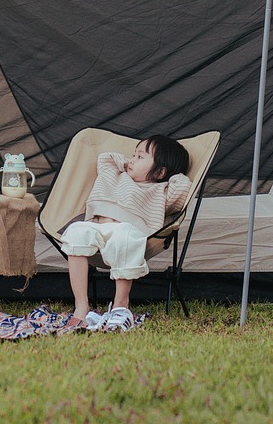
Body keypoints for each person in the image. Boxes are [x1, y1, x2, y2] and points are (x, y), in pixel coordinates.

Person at [61, 134, 191, 331]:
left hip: (129, 230)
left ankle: (121, 305)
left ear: (160, 172)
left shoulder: (161, 190)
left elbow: (182, 189)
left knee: (125, 238)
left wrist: (167, 174)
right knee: (75, 232)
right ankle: (81, 306)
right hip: (97, 225)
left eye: (140, 157)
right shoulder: (115, 174)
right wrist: (131, 163)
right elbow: (105, 157)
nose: (131, 160)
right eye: (133, 154)